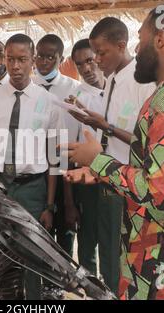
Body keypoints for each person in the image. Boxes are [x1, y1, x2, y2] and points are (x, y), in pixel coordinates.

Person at [63, 2, 164, 300]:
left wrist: (97, 160)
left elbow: (160, 192)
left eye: (141, 37)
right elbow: (160, 170)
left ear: (160, 39)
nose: (136, 48)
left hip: (163, 265)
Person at [66, 17, 156, 294]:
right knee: (106, 257)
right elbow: (110, 131)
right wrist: (96, 121)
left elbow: (149, 142)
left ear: (122, 45)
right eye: (94, 54)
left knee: (120, 263)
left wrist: (107, 128)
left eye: (101, 53)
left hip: (129, 186)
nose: (97, 60)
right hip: (107, 181)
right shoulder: (112, 81)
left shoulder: (142, 82)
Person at [0, 33, 65, 300]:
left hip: (32, 189)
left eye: (22, 60)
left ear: (32, 60)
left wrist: (48, 205)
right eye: (10, 59)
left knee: (31, 255)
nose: (15, 66)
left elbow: (54, 158)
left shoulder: (47, 102)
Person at [32, 34, 81, 270]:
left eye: (50, 57)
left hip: (67, 163)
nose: (43, 61)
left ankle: (63, 276)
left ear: (60, 59)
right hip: (38, 166)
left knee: (65, 224)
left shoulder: (75, 89)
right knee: (40, 226)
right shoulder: (28, 87)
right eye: (40, 55)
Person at [63, 39, 105, 276]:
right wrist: (69, 201)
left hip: (118, 180)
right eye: (80, 65)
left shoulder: (117, 91)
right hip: (86, 182)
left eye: (90, 60)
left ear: (98, 57)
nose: (87, 69)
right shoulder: (75, 100)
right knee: (87, 245)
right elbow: (68, 154)